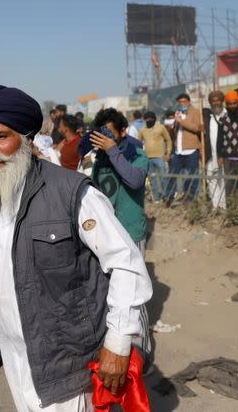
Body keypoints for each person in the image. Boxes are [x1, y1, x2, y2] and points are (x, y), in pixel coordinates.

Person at [0, 85, 152, 411]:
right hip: (18, 358)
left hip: (67, 363)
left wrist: (119, 343)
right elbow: (3, 257)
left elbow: (126, 263)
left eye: (0, 136)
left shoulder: (71, 192)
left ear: (26, 139)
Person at [89, 108, 152, 366]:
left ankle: (142, 352)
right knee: (110, 295)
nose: (105, 138)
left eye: (110, 134)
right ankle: (116, 347)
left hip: (130, 231)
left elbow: (135, 181)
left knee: (134, 296)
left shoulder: (137, 153)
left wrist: (113, 151)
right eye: (101, 134)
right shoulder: (100, 159)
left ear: (123, 131)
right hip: (106, 235)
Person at [163, 93, 203, 205]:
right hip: (178, 150)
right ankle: (168, 197)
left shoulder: (195, 112)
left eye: (184, 102)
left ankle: (190, 198)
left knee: (191, 176)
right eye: (180, 102)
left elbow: (197, 128)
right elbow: (175, 130)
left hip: (191, 150)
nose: (182, 104)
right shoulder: (178, 113)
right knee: (172, 174)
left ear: (189, 102)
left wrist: (182, 122)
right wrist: (174, 125)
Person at [217, 89, 238, 195]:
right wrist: (220, 156)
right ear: (226, 105)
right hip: (227, 158)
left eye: (234, 103)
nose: (232, 106)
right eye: (229, 104)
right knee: (229, 186)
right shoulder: (223, 119)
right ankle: (232, 209)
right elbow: (220, 139)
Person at [138, 110, 171, 201]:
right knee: (152, 180)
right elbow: (138, 142)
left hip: (160, 157)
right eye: (146, 119)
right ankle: (156, 198)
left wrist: (168, 153)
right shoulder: (142, 130)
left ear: (154, 119)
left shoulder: (160, 127)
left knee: (163, 177)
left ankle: (166, 196)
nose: (148, 120)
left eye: (150, 118)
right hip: (148, 158)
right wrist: (140, 155)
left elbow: (168, 140)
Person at [203, 90, 227, 210]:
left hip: (223, 155)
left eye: (218, 100)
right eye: (213, 101)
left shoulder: (227, 115)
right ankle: (215, 205)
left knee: (223, 180)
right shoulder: (208, 116)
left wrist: (222, 154)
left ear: (222, 101)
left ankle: (224, 206)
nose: (216, 103)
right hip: (210, 155)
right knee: (211, 179)